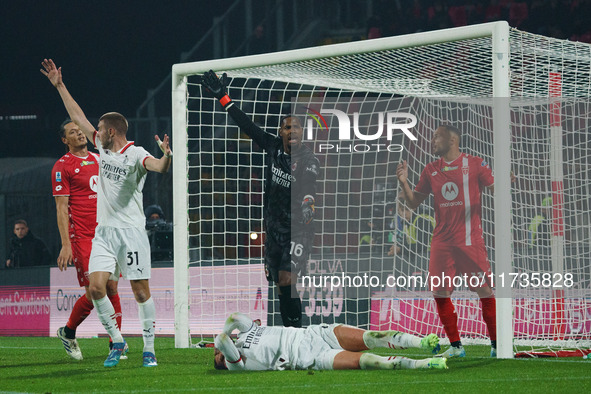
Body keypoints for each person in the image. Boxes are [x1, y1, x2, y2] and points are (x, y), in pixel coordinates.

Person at [41, 58, 172, 368]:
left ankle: (149, 348)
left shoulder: (136, 154)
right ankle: (117, 340)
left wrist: (167, 158)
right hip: (103, 233)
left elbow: (157, 167)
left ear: (111, 131)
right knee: (97, 287)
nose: (91, 132)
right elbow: (78, 115)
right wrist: (59, 85)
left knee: (140, 292)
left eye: (98, 129)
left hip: (132, 233)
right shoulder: (102, 150)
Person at [200, 70, 320, 328]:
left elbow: (309, 189)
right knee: (279, 282)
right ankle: (290, 332)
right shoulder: (273, 146)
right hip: (273, 230)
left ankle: (297, 334)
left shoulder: (309, 160)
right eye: (288, 127)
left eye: (297, 126)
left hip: (298, 230)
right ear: (281, 131)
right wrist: (223, 98)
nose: (292, 130)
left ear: (302, 131)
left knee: (288, 278)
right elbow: (247, 125)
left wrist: (308, 206)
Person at [396, 124, 499, 358]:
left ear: (453, 140)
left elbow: (496, 188)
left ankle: (496, 344)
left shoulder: (475, 164)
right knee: (440, 293)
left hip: (470, 241)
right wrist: (404, 182)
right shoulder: (430, 169)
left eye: (436, 137)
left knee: (485, 291)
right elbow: (413, 203)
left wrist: (506, 180)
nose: (432, 141)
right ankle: (456, 346)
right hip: (442, 242)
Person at [52, 119, 124, 361]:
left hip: (107, 233)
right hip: (82, 236)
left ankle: (117, 343)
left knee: (111, 286)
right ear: (65, 140)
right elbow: (61, 209)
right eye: (72, 132)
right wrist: (66, 244)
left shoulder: (98, 158)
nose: (80, 134)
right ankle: (69, 331)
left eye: (80, 130)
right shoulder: (62, 167)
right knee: (96, 290)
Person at [213, 312, 446, 371]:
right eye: (219, 358)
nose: (221, 355)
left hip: (315, 334)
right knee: (369, 361)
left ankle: (422, 343)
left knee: (373, 337)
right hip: (309, 358)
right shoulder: (238, 365)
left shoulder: (247, 331)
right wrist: (218, 346)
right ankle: (424, 364)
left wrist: (233, 335)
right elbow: (222, 339)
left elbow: (235, 318)